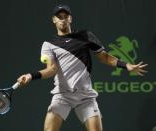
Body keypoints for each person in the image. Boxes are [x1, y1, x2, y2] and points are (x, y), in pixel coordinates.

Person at [17, 5, 148, 131]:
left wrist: (126, 65)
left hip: (85, 95)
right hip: (62, 95)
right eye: (59, 17)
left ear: (70, 19)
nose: (62, 19)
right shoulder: (48, 45)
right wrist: (30, 75)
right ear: (54, 20)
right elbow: (51, 69)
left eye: (65, 16)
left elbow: (105, 57)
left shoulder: (86, 35)